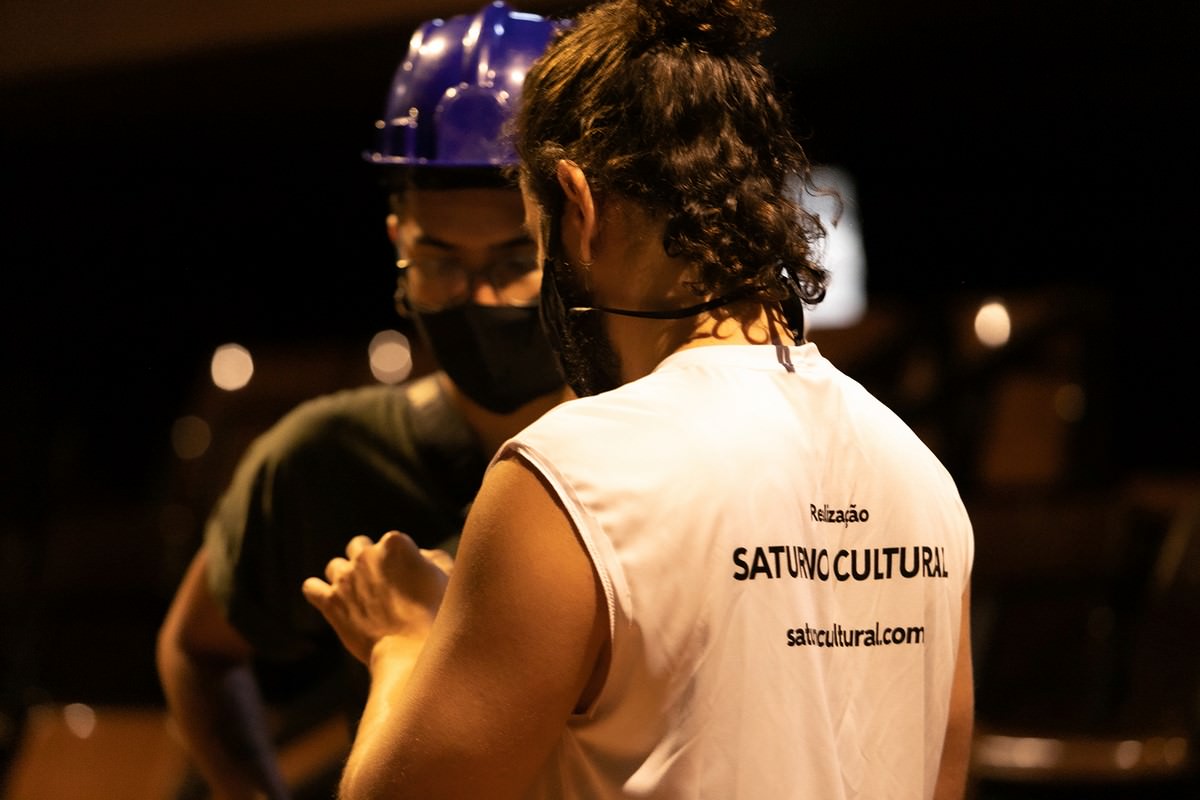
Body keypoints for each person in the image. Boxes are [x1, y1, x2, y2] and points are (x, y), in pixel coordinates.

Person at [301, 0, 976, 798]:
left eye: (534, 235)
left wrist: (404, 643)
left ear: (577, 205)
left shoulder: (570, 474)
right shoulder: (922, 479)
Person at [155, 4, 567, 798]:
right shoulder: (325, 457)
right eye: (439, 263)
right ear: (397, 243)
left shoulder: (650, 449)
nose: (477, 298)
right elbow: (195, 648)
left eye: (514, 261)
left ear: (580, 241)